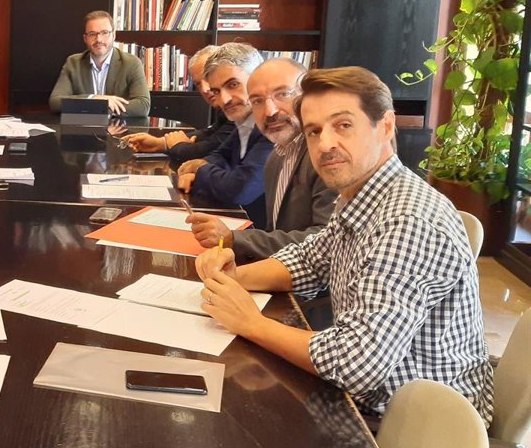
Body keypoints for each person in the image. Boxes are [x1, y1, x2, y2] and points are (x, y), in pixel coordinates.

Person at [196, 66, 493, 422]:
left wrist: (250, 322)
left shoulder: (407, 220)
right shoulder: (361, 193)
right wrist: (231, 278)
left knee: (230, 415)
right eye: (314, 131)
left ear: (385, 126)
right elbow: (310, 260)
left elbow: (357, 363)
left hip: (413, 423)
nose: (325, 144)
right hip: (372, 395)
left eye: (343, 125)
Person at [187, 57, 336, 261]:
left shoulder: (329, 155)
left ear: (308, 95)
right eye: (257, 101)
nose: (270, 111)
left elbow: (328, 243)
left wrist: (234, 239)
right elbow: (275, 232)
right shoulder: (276, 158)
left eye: (282, 94)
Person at [177, 43, 273, 226]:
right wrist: (201, 164)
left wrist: (199, 171)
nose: (224, 99)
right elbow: (222, 154)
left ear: (258, 78)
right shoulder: (245, 120)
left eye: (233, 85)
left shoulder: (272, 125)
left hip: (265, 234)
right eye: (217, 91)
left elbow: (241, 189)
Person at [124, 45, 232, 162]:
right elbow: (209, 134)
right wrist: (161, 143)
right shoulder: (225, 110)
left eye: (207, 78)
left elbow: (208, 149)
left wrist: (178, 145)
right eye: (198, 83)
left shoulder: (237, 110)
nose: (204, 89)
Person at [48, 10, 150, 116]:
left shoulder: (131, 63)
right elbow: (55, 102)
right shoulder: (73, 63)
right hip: (83, 126)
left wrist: (100, 108)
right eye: (92, 34)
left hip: (118, 126)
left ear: (113, 35)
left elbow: (143, 105)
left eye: (105, 33)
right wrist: (93, 98)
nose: (99, 39)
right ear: (85, 38)